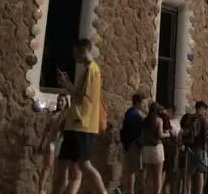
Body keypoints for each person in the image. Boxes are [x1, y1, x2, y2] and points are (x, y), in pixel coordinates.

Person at [57, 38, 109, 194]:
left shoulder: (92, 70)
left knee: (84, 165)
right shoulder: (88, 69)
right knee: (66, 165)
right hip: (75, 124)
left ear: (83, 51)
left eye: (76, 53)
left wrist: (68, 86)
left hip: (82, 124)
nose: (75, 57)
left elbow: (83, 98)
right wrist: (68, 85)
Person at [40, 94, 71, 194]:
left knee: (59, 170)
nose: (60, 103)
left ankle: (54, 190)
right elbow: (46, 129)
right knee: (48, 165)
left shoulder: (68, 115)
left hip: (62, 143)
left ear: (67, 103)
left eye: (62, 101)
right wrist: (42, 142)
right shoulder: (53, 114)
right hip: (52, 142)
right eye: (59, 100)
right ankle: (41, 190)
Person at [184, 102, 208, 194]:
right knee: (200, 173)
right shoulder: (203, 120)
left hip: (190, 149)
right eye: (205, 108)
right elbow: (206, 136)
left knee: (188, 175)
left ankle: (187, 192)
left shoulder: (189, 118)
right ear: (201, 108)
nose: (205, 111)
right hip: (200, 149)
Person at [121, 93, 147, 194]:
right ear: (138, 103)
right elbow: (136, 132)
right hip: (134, 145)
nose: (143, 106)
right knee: (133, 170)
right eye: (142, 103)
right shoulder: (135, 115)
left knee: (131, 170)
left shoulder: (129, 113)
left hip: (129, 145)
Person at [143, 102, 168, 194]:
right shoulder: (159, 120)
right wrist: (168, 134)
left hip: (146, 148)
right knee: (158, 174)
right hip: (156, 147)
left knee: (149, 175)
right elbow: (160, 135)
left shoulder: (145, 120)